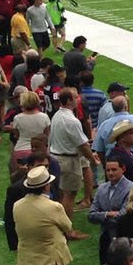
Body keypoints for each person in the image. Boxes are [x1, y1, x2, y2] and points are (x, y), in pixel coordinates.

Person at [14, 164, 84, 265]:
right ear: (46, 186)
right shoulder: (53, 207)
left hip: (27, 264)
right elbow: (67, 226)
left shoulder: (17, 206)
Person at [49, 87, 99, 218]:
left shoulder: (57, 115)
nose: (78, 100)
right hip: (68, 160)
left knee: (62, 194)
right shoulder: (72, 120)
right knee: (70, 195)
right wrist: (93, 159)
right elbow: (82, 144)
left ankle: (62, 225)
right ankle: (68, 229)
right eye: (75, 97)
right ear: (69, 100)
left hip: (57, 157)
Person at [89, 154, 133, 264]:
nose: (110, 173)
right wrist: (108, 214)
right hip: (105, 238)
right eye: (108, 170)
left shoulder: (132, 188)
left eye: (114, 170)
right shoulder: (101, 188)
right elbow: (91, 215)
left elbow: (123, 215)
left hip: (123, 238)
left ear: (123, 169)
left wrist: (101, 215)